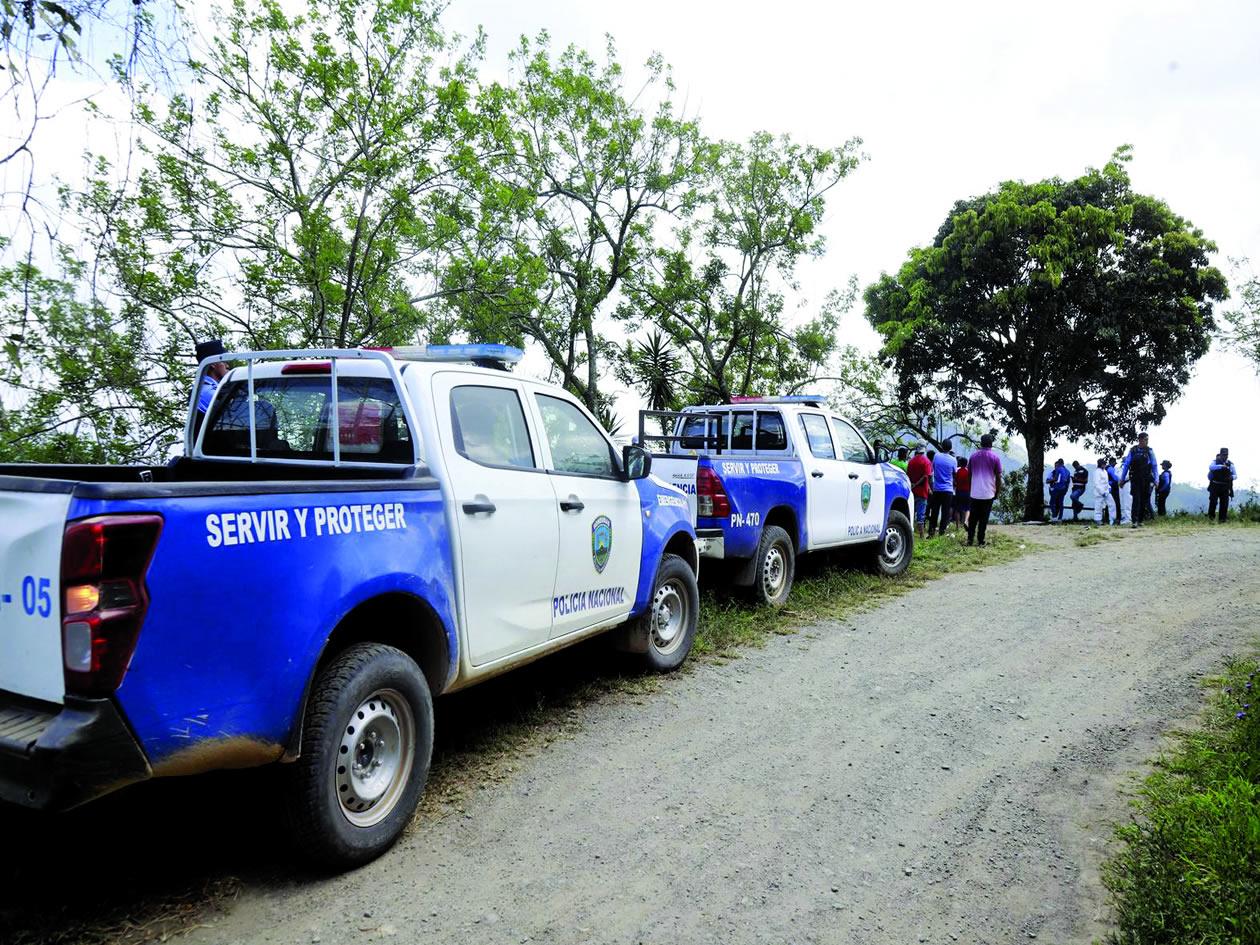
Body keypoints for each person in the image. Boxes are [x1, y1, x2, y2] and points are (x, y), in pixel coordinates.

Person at [966, 434, 1003, 546]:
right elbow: (998, 477)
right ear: (991, 444)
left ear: (981, 443)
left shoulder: (973, 456)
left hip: (975, 493)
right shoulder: (995, 457)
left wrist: (970, 488)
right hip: (988, 493)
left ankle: (970, 540)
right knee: (984, 519)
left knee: (973, 518)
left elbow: (969, 475)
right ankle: (981, 541)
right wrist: (997, 491)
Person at [1120, 432, 1158, 528]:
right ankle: (1134, 521)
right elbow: (1126, 465)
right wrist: (1122, 479)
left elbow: (1154, 465)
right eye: (1145, 439)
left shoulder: (1149, 451)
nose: (1147, 441)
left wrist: (1156, 479)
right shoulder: (1133, 450)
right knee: (1136, 499)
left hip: (1146, 478)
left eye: (1147, 440)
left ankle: (1140, 520)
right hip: (1135, 478)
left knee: (1144, 499)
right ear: (1140, 440)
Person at [193, 339, 228, 437]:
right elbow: (235, 411)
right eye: (224, 361)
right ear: (213, 364)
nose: (227, 365)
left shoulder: (211, 388)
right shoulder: (206, 391)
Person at [928, 440, 957, 537]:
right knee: (945, 512)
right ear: (951, 448)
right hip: (948, 490)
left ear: (941, 446)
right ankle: (942, 532)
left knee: (934, 511)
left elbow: (933, 468)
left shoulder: (936, 456)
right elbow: (955, 474)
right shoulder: (953, 460)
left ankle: (931, 532)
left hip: (937, 489)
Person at [906, 444, 934, 540]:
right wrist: (928, 488)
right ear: (924, 450)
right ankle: (922, 536)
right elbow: (926, 476)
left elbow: (908, 475)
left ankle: (909, 535)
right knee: (921, 515)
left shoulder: (911, 461)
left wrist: (913, 484)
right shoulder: (926, 461)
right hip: (922, 492)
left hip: (912, 491)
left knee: (911, 513)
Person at [1207, 448, 1237, 522]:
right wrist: (1221, 466)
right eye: (1223, 455)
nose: (1225, 456)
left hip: (1225, 486)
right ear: (1220, 455)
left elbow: (1235, 475)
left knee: (1224, 504)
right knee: (1213, 502)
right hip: (1215, 485)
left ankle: (1222, 520)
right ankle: (1211, 519)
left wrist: (1232, 477)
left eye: (1226, 455)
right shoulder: (1215, 462)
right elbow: (1210, 467)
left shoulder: (1230, 464)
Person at [1093, 456, 1119, 527]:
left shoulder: (1105, 471)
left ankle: (1112, 520)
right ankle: (1098, 520)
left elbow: (1106, 482)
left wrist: (1108, 488)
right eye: (1103, 464)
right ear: (1100, 464)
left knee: (1112, 504)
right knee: (1098, 506)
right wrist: (1102, 492)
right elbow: (1097, 484)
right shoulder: (1097, 472)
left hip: (1106, 491)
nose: (1104, 465)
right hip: (1099, 493)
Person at [953, 456, 971, 530]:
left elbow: (954, 482)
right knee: (967, 508)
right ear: (966, 463)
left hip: (958, 492)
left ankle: (957, 526)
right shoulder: (969, 472)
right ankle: (966, 521)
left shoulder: (957, 471)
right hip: (967, 492)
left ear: (960, 463)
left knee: (957, 510)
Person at [1106, 458, 1123, 525]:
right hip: (1113, 488)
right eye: (1114, 463)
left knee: (1109, 504)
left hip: (1108, 488)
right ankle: (1117, 518)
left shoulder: (1105, 469)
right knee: (1116, 503)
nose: (1115, 465)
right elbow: (1115, 478)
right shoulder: (1110, 469)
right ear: (1112, 462)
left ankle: (1107, 518)